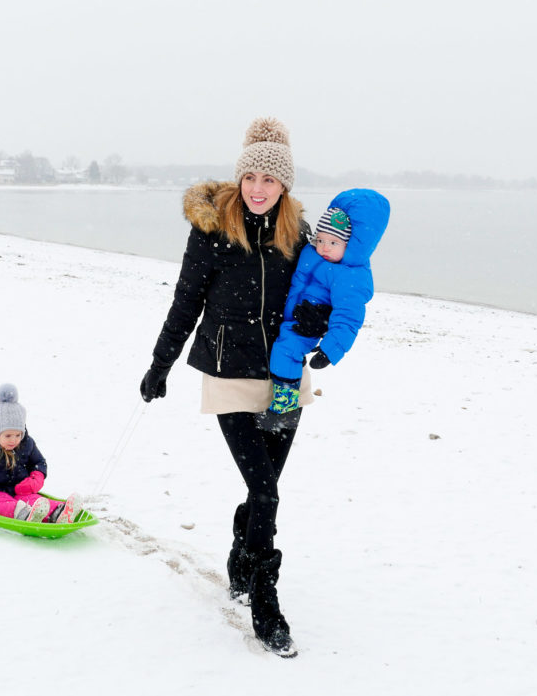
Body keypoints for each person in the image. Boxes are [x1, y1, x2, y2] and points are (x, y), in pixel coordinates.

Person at [138, 117, 331, 658]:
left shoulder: (300, 235)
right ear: (240, 177)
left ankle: (241, 560)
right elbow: (185, 302)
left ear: (285, 186)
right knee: (267, 489)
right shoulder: (213, 231)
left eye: (270, 180)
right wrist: (161, 365)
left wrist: (320, 317)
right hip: (228, 376)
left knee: (261, 488)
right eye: (251, 177)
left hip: (285, 379)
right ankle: (265, 603)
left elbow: (320, 293)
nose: (258, 188)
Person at [258, 189, 391, 427]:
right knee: (279, 351)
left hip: (306, 326)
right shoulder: (312, 252)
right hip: (289, 316)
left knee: (285, 351)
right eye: (320, 240)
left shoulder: (350, 275)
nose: (324, 247)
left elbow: (348, 317)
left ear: (352, 245)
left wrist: (330, 350)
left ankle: (284, 408)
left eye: (333, 243)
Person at [0, 384, 83, 524]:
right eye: (8, 435)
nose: (14, 440)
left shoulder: (26, 443)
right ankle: (23, 514)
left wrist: (34, 480)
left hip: (20, 490)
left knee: (34, 500)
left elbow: (38, 463)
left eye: (18, 434)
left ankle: (59, 512)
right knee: (1, 503)